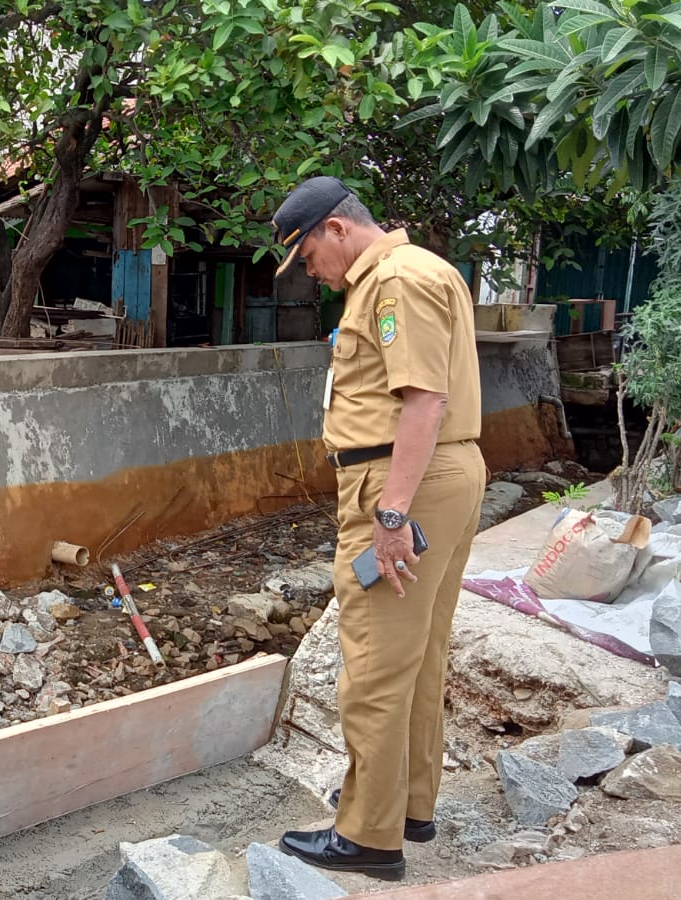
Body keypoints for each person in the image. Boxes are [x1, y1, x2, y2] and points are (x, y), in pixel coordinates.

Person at [269, 176, 486, 882]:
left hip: (402, 483)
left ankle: (367, 835)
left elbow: (423, 401)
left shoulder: (392, 282)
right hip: (436, 478)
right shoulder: (417, 271)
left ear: (336, 229)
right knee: (418, 653)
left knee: (373, 664)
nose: (311, 273)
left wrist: (390, 515)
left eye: (307, 257)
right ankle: (407, 804)